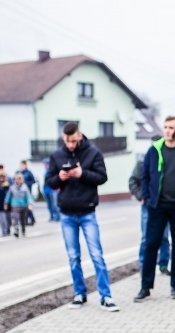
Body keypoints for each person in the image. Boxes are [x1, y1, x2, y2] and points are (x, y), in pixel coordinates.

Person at [45, 122, 119, 312]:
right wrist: (60, 177)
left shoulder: (93, 153)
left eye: (73, 140)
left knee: (96, 255)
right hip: (67, 213)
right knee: (73, 256)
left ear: (79, 135)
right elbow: (49, 183)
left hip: (87, 211)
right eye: (67, 140)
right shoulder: (57, 155)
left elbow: (102, 177)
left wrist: (82, 173)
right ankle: (80, 294)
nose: (70, 144)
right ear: (63, 137)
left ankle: (106, 296)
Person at [133, 116, 175, 302]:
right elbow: (144, 175)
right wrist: (146, 196)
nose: (168, 130)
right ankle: (145, 287)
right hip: (157, 206)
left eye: (171, 127)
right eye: (166, 127)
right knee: (151, 244)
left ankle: (174, 286)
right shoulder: (154, 149)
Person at [129, 158, 171, 274]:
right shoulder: (143, 162)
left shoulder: (168, 160)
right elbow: (133, 181)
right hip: (148, 204)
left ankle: (163, 265)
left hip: (163, 204)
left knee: (164, 237)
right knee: (146, 238)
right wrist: (140, 195)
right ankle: (144, 267)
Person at [6, 172, 34, 237]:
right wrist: (6, 203)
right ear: (15, 180)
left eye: (20, 179)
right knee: (15, 218)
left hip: (23, 206)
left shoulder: (25, 187)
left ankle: (23, 230)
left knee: (23, 219)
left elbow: (28, 196)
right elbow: (8, 196)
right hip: (15, 205)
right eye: (17, 179)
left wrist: (30, 203)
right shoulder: (12, 188)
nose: (19, 180)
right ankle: (16, 231)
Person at [41, 158, 61, 222]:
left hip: (52, 190)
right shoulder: (45, 171)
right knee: (49, 205)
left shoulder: (52, 171)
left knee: (54, 205)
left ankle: (57, 217)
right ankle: (52, 216)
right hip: (46, 190)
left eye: (46, 164)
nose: (45, 165)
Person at [19, 160, 37, 226]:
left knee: (28, 206)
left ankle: (32, 219)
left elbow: (33, 181)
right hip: (21, 193)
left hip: (28, 191)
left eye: (22, 165)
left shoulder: (29, 173)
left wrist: (27, 184)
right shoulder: (19, 173)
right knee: (23, 207)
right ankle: (25, 220)